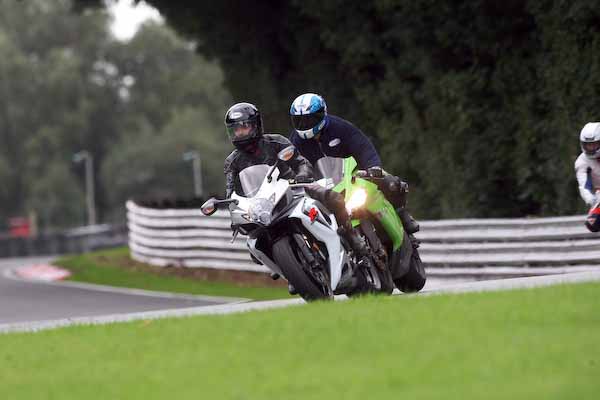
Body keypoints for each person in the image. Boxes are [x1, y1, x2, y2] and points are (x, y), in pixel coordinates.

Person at [288, 93, 419, 235]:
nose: (304, 125)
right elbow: (293, 164)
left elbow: (362, 146)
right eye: (299, 120)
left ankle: (401, 213)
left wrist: (373, 167)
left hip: (356, 175)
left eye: (309, 119)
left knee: (390, 183)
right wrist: (295, 179)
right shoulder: (296, 141)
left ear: (322, 114)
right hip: (324, 187)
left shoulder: (340, 127)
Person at [223, 102, 312, 199]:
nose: (240, 132)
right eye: (236, 129)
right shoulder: (232, 161)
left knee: (315, 201)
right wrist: (225, 201)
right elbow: (230, 191)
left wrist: (302, 174)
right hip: (258, 205)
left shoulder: (277, 142)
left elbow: (301, 163)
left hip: (291, 196)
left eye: (244, 127)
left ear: (255, 125)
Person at [575, 122, 600, 231]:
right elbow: (584, 185)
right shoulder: (582, 162)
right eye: (588, 145)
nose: (591, 148)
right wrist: (590, 198)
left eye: (594, 144)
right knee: (592, 223)